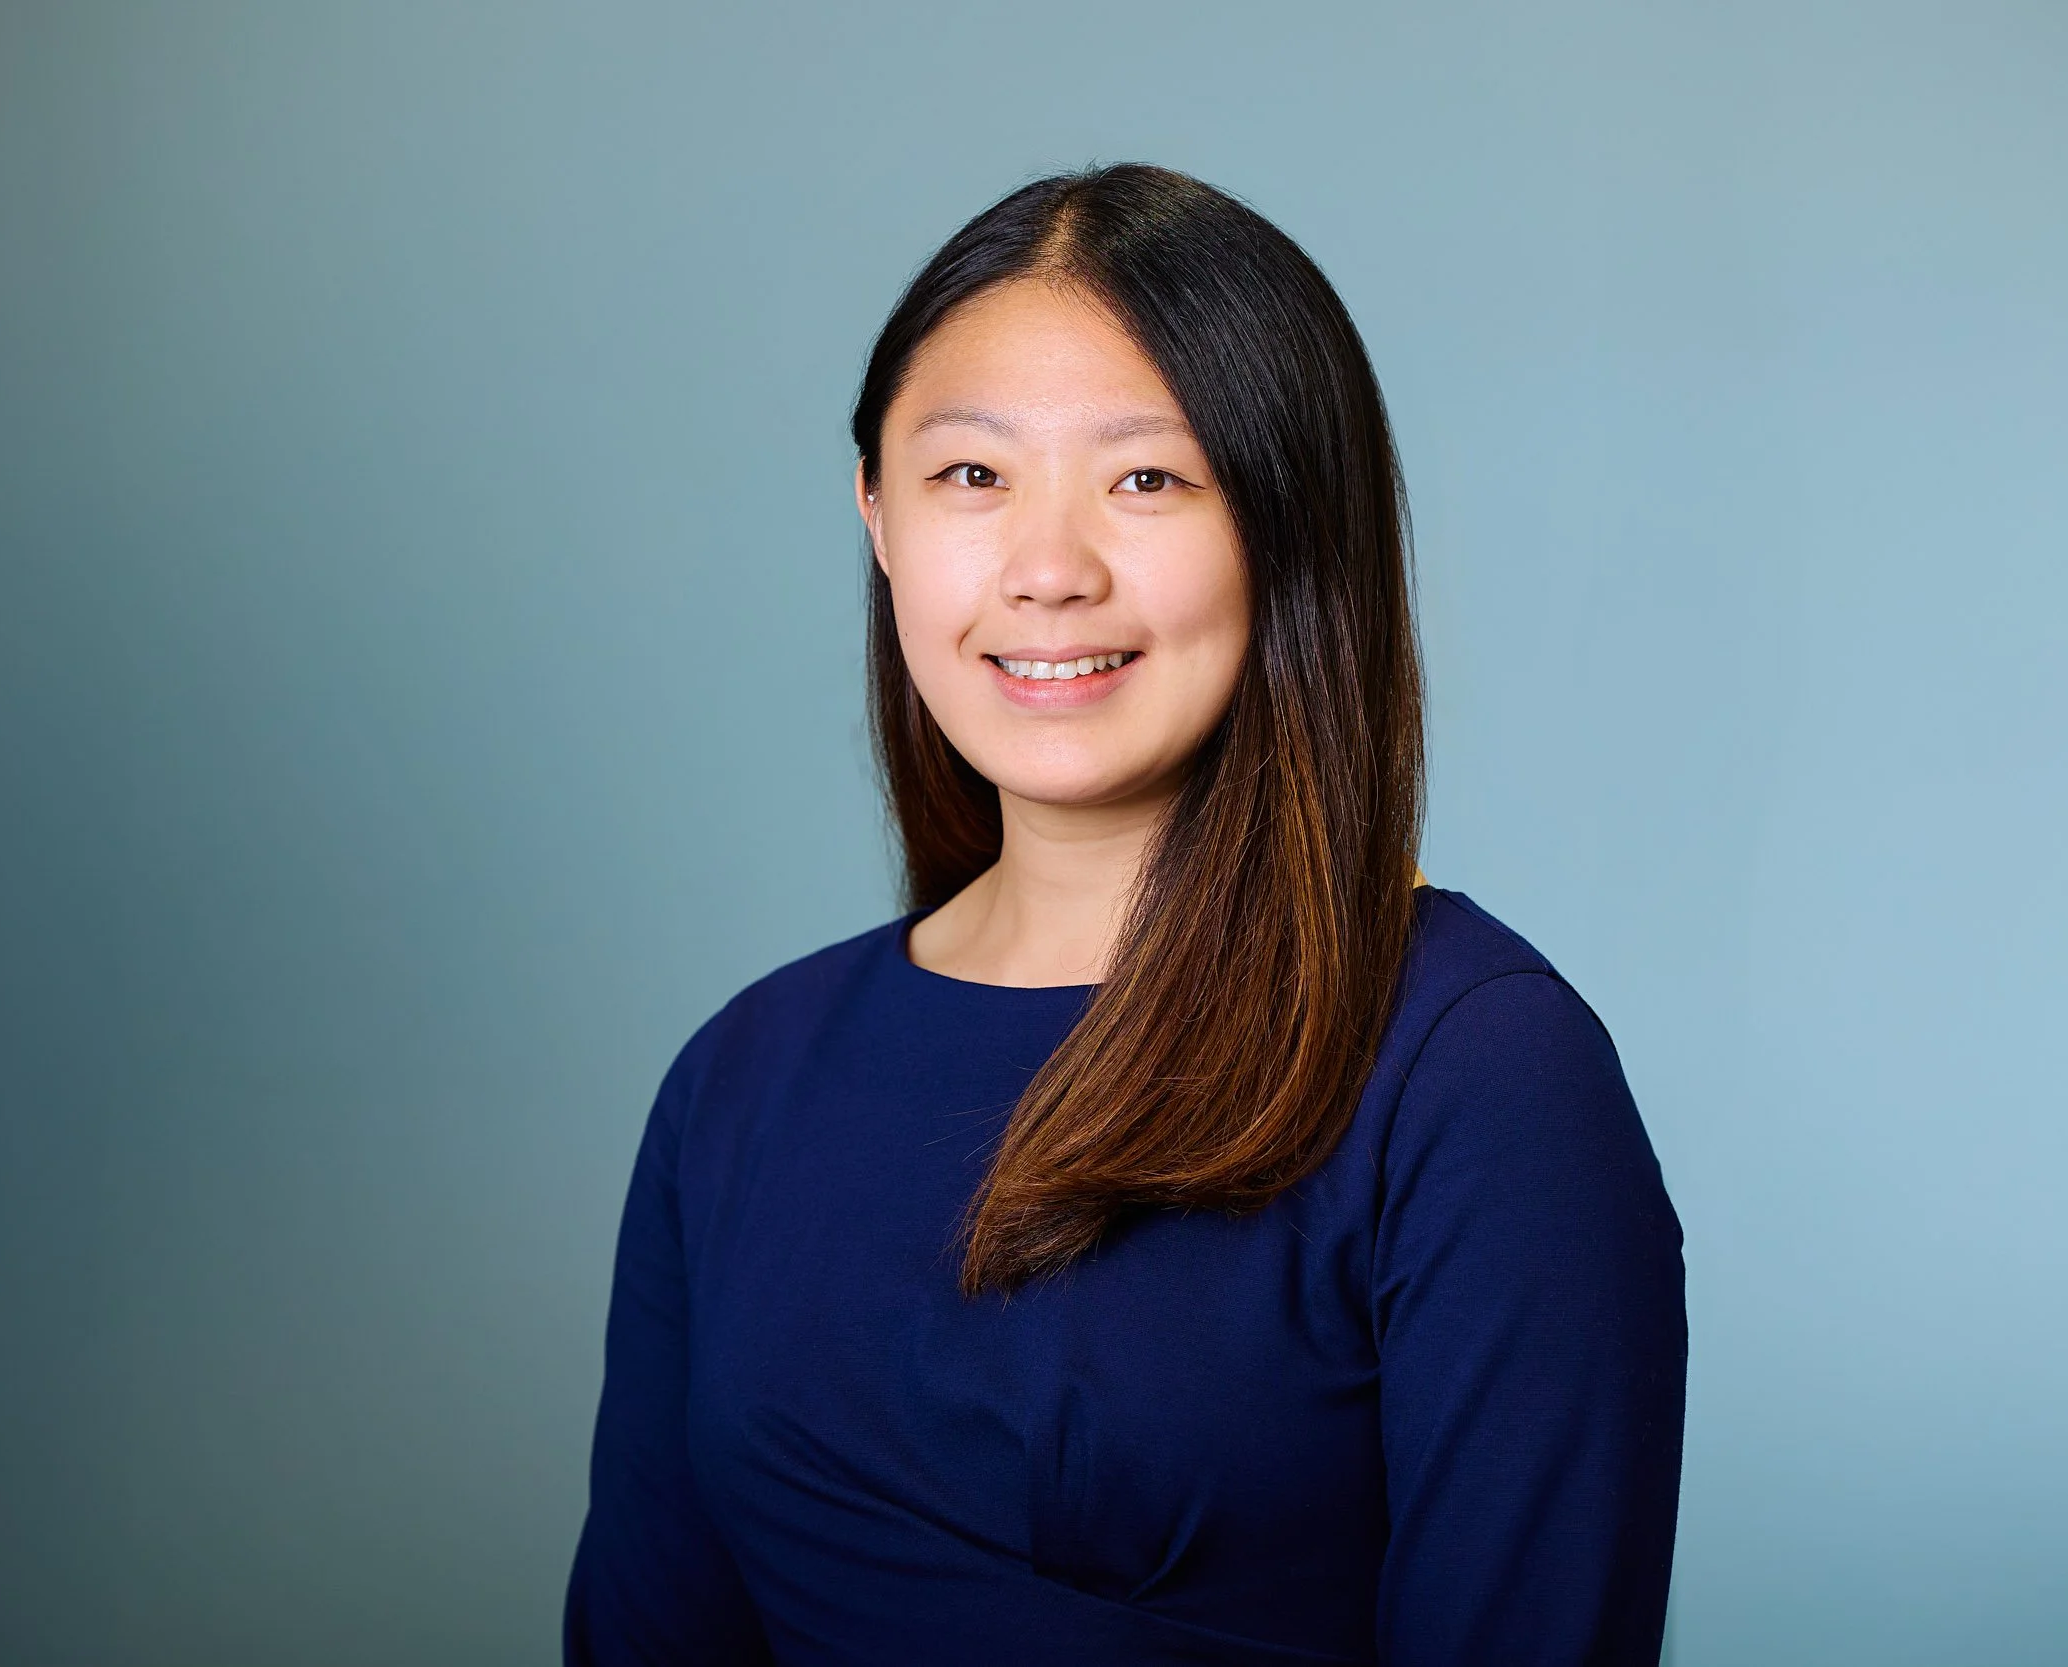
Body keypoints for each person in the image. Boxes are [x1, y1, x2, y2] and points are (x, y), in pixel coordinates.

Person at [564, 163, 1686, 1666]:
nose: (1048, 570)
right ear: (876, 510)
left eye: (1147, 477)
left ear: (1288, 522)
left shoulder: (1479, 1073)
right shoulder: (740, 1080)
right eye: (972, 475)